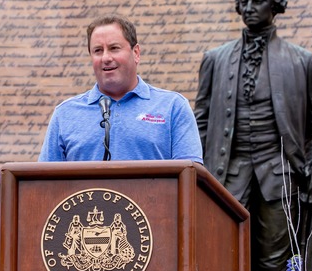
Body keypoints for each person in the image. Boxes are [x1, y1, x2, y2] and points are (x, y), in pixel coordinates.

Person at [194, 0, 312, 271]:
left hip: (279, 176)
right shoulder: (214, 60)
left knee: (275, 266)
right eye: (243, 1)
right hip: (227, 177)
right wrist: (196, 169)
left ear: (276, 6)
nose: (249, 8)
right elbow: (199, 121)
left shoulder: (303, 60)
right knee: (222, 257)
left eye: (257, 1)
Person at [38, 14, 203, 163]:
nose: (106, 58)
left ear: (136, 53)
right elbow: (43, 184)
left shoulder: (173, 107)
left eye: (114, 48)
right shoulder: (65, 114)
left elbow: (191, 179)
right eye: (97, 51)